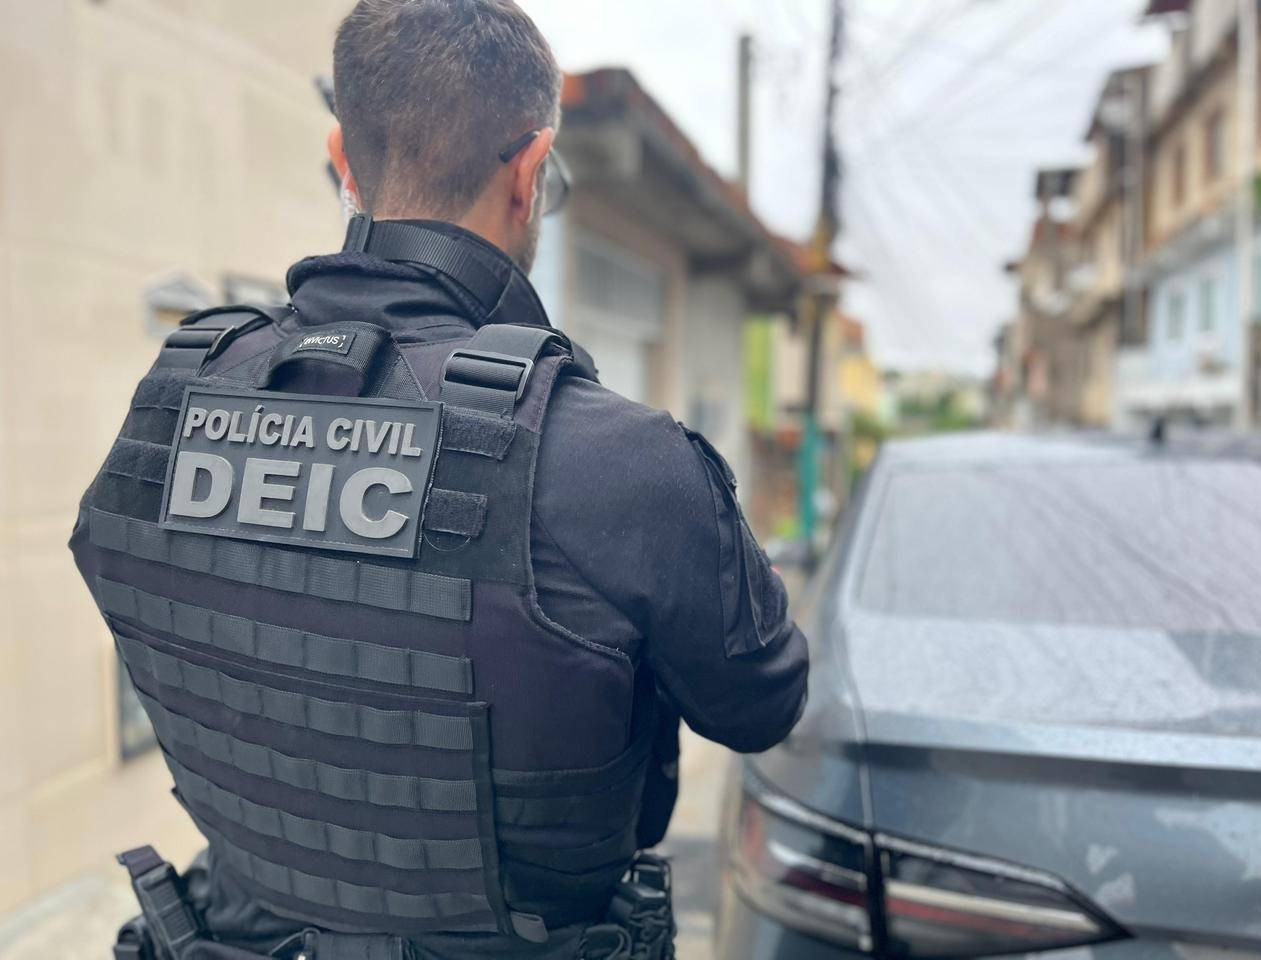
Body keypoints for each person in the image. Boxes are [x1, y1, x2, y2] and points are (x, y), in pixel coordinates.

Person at [69, 2, 808, 958]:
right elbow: (761, 703)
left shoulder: (170, 404)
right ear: (532, 172)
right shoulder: (624, 463)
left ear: (343, 158)